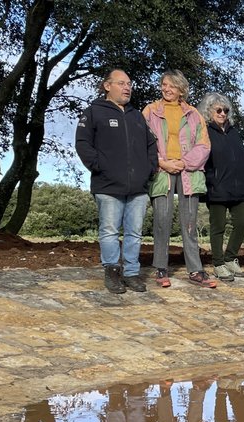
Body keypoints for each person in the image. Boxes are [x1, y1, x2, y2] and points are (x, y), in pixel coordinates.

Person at [75, 69, 156, 294]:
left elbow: (151, 145)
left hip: (138, 187)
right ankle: (112, 272)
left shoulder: (137, 115)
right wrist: (101, 167)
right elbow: (82, 144)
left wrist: (149, 169)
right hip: (108, 186)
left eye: (129, 83)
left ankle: (131, 273)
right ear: (107, 86)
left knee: (135, 232)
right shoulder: (93, 112)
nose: (127, 87)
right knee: (109, 231)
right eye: (121, 83)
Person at [141, 70, 215, 288]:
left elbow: (204, 145)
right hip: (161, 170)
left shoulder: (194, 114)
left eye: (171, 85)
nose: (166, 89)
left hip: (188, 171)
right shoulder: (150, 111)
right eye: (164, 84)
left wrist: (184, 163)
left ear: (181, 88)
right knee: (162, 220)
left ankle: (195, 270)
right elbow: (142, 141)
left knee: (190, 223)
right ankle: (161, 268)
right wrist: (162, 162)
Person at [198, 93, 244, 282]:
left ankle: (230, 258)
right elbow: (201, 159)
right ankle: (218, 263)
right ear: (209, 111)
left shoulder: (234, 132)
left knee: (242, 223)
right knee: (218, 227)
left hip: (239, 188)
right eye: (218, 110)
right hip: (217, 188)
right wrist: (211, 180)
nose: (222, 113)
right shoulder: (204, 131)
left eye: (226, 110)